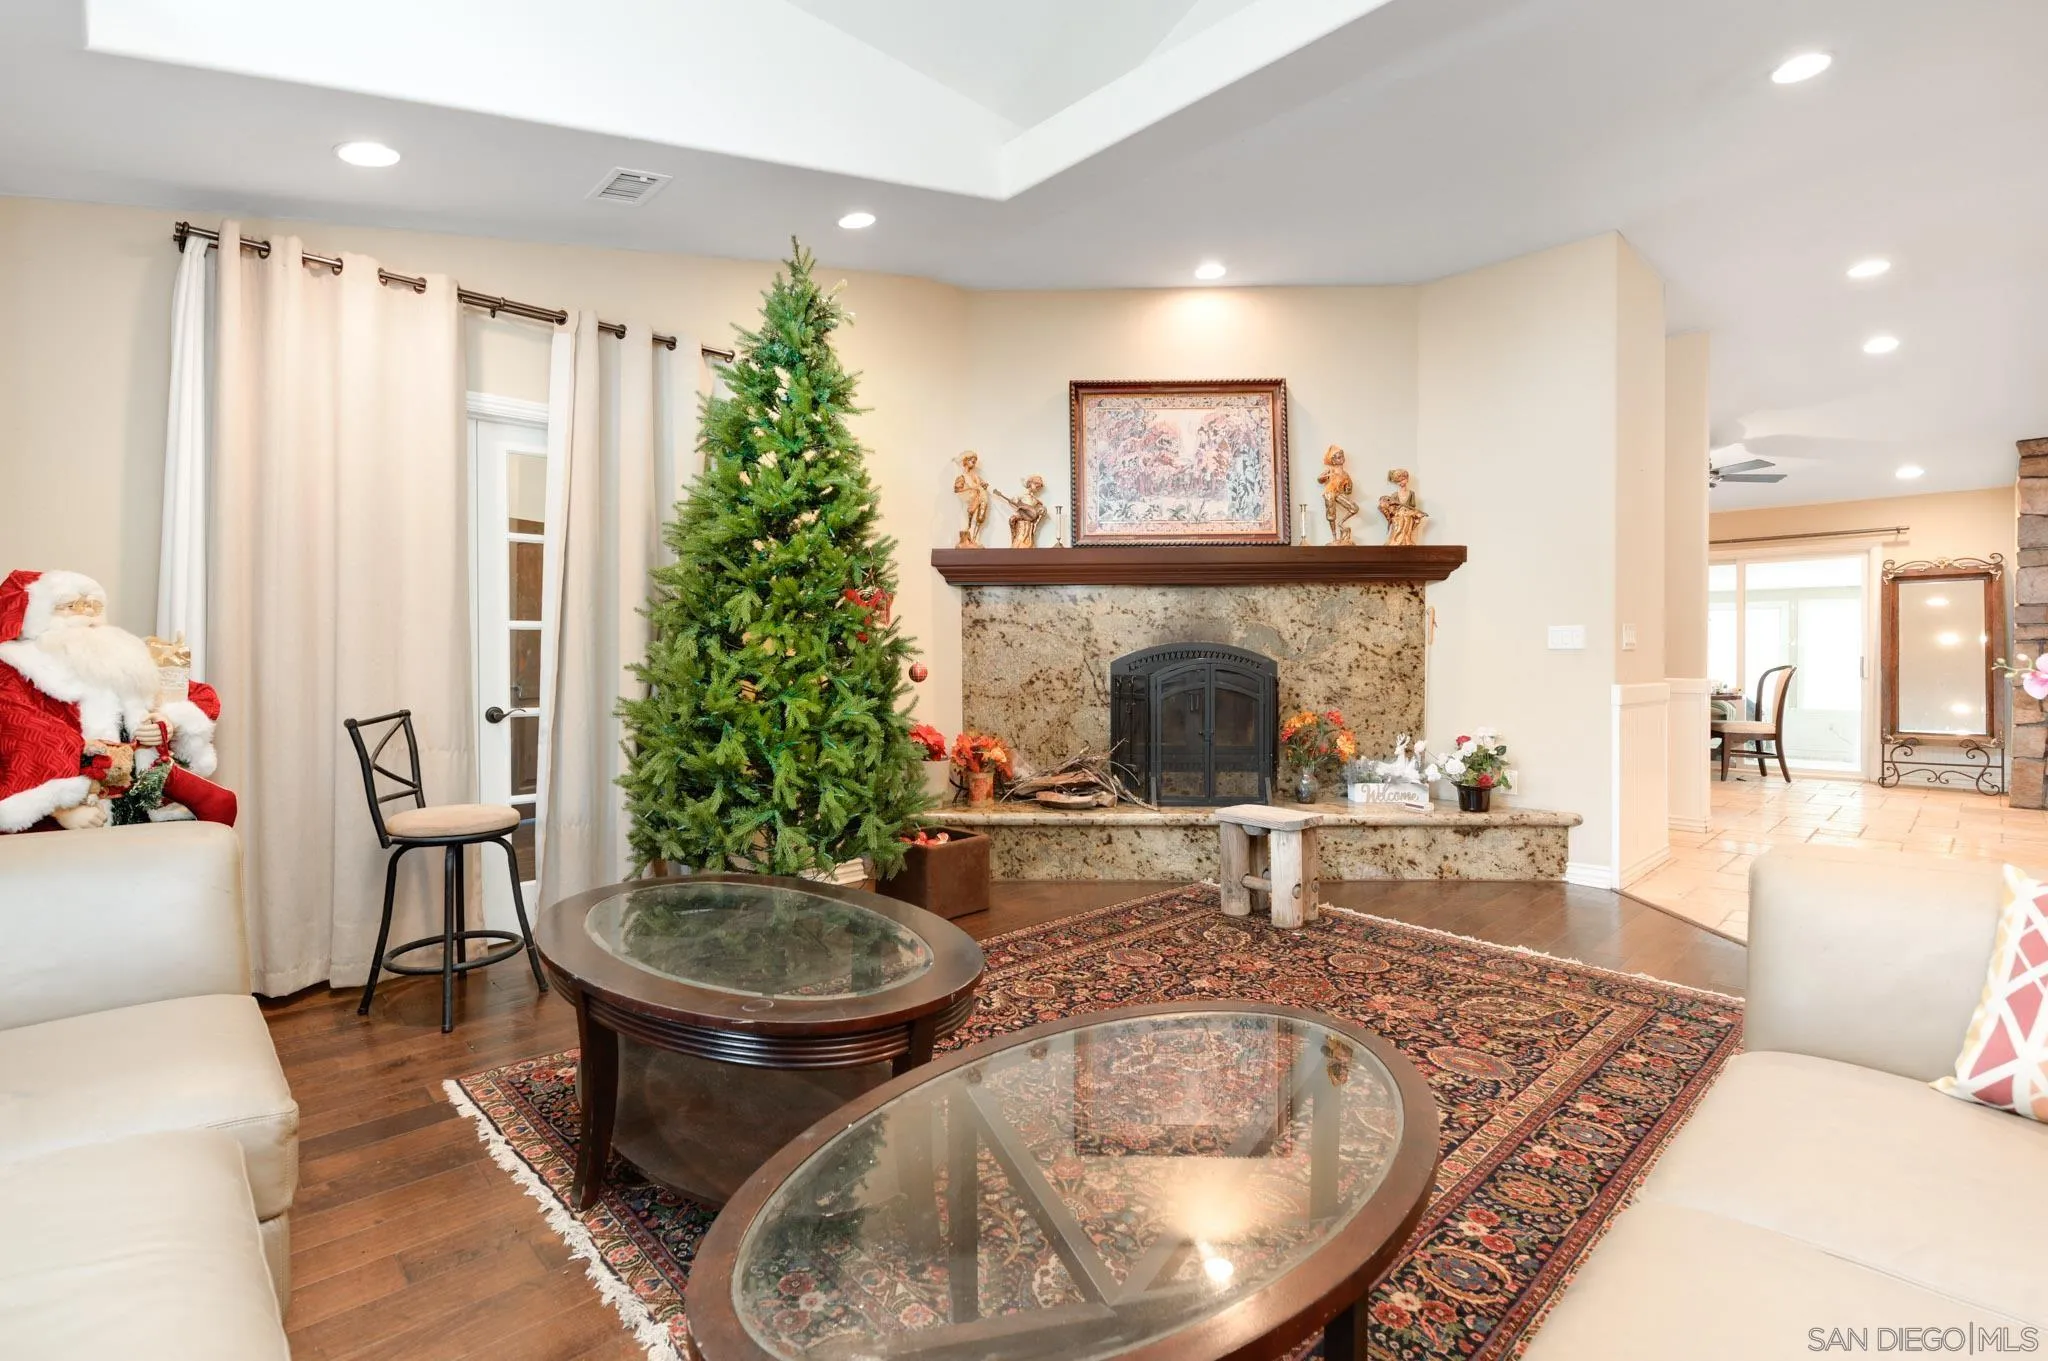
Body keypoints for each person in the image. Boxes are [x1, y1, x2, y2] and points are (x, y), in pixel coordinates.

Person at [0, 569, 233, 831]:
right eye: (71, 606)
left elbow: (195, 695)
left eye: (93, 605)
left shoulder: (118, 654)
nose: (86, 612)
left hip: (143, 785)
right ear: (38, 615)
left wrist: (168, 719)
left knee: (222, 804)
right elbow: (24, 734)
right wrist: (62, 807)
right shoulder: (17, 666)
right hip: (80, 794)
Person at [1317, 445, 1359, 544]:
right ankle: (1334, 537)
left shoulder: (1345, 474)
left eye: (1342, 456)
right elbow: (1319, 479)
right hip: (1330, 493)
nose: (1342, 459)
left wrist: (1349, 486)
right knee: (1331, 515)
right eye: (1339, 457)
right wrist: (1325, 476)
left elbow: (1348, 491)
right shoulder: (1330, 471)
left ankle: (1341, 522)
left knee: (1354, 508)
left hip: (1338, 493)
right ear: (1333, 460)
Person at [993, 474, 1049, 548]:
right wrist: (1016, 504)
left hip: (1029, 517)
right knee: (1012, 519)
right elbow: (1014, 501)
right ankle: (1014, 538)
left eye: (1039, 488)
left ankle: (1028, 538)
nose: (1037, 488)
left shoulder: (1034, 499)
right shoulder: (1023, 494)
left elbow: (1039, 508)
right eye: (1036, 486)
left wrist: (1039, 509)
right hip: (1020, 514)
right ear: (1030, 483)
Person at [1379, 468, 1428, 547]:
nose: (1401, 482)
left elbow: (1412, 506)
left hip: (1408, 512)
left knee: (1408, 518)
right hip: (1398, 514)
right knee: (1400, 518)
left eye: (1402, 480)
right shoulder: (1395, 494)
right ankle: (1396, 540)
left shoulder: (1411, 493)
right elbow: (1392, 507)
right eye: (1398, 481)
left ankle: (1406, 540)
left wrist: (1410, 511)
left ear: (1407, 479)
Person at [953, 451, 991, 548]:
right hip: (968, 502)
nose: (973, 463)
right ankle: (965, 542)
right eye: (972, 461)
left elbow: (981, 484)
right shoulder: (962, 476)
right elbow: (957, 489)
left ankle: (974, 540)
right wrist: (971, 488)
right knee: (965, 521)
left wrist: (983, 486)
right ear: (965, 461)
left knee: (977, 520)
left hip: (978, 500)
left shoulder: (975, 476)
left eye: (974, 461)